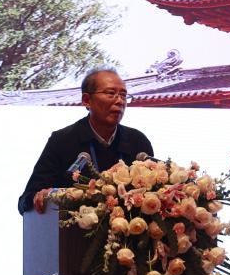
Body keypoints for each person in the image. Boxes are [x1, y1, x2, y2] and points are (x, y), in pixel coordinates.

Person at [17, 67, 153, 214]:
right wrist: (41, 196)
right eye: (111, 93)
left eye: (123, 95)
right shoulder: (62, 141)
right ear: (87, 100)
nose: (120, 101)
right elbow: (25, 201)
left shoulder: (138, 141)